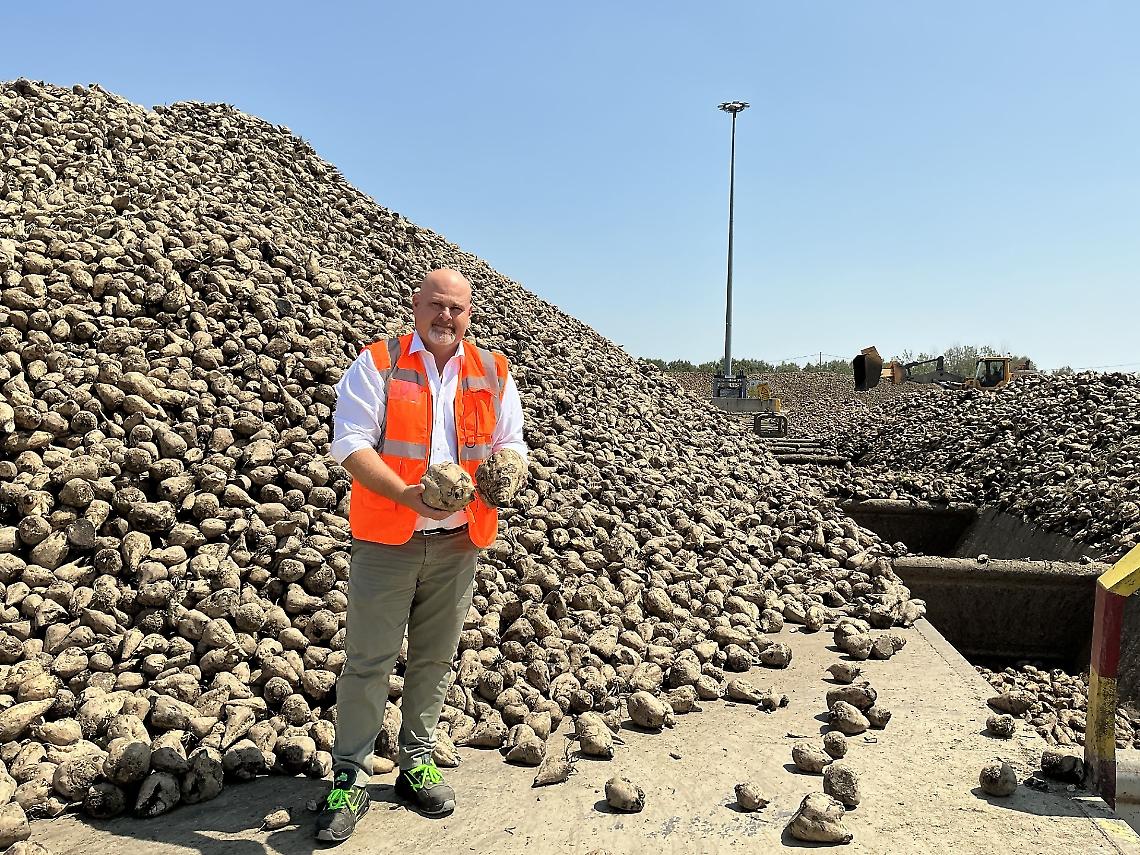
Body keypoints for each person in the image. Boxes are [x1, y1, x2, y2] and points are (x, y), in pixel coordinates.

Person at [315, 268, 527, 843]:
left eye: (456, 308)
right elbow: (350, 443)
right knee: (369, 661)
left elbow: (510, 440)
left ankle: (417, 762)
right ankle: (350, 775)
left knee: (434, 659)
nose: (445, 317)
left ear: (469, 314)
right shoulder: (378, 363)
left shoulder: (492, 370)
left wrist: (511, 470)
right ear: (416, 306)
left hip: (459, 541)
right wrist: (405, 495)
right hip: (390, 537)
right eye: (436, 305)